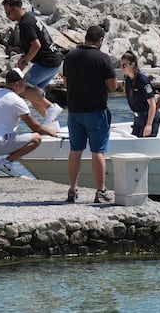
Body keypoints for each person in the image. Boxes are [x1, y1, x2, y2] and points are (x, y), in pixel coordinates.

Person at [62, 25, 118, 204]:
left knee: (75, 151)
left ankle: (72, 190)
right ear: (100, 40)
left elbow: (65, 81)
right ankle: (100, 190)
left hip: (74, 110)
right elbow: (112, 86)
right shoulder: (103, 58)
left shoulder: (70, 56)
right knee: (98, 151)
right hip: (95, 111)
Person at [0, 68, 59, 177]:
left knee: (3, 131)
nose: (26, 84)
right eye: (24, 81)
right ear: (17, 84)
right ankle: (6, 163)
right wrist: (53, 133)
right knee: (36, 138)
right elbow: (35, 127)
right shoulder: (17, 101)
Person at [1, 0, 63, 128]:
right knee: (34, 95)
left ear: (16, 9)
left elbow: (36, 45)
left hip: (47, 63)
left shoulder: (25, 24)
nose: (7, 16)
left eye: (9, 13)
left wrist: (25, 62)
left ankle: (52, 108)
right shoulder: (30, 18)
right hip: (54, 62)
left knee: (20, 88)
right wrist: (24, 56)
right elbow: (35, 45)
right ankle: (51, 123)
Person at [120, 51, 160, 137]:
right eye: (121, 65)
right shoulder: (128, 81)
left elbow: (152, 104)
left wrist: (149, 124)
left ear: (133, 64)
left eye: (125, 65)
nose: (122, 68)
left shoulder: (142, 81)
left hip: (148, 117)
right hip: (138, 118)